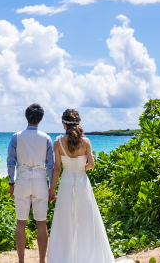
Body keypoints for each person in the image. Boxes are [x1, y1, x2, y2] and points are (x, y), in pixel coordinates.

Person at [47, 109, 115, 263]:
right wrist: (80, 168)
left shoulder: (58, 143)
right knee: (86, 218)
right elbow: (91, 164)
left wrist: (52, 189)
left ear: (64, 124)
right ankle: (87, 255)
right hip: (82, 183)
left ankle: (65, 256)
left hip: (65, 184)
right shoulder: (86, 142)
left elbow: (57, 168)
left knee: (65, 220)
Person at [7, 103, 55, 263]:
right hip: (40, 180)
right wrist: (51, 187)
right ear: (40, 119)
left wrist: (11, 183)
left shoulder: (16, 136)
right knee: (41, 222)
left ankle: (21, 260)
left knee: (21, 222)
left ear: (26, 117)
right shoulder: (46, 138)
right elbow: (50, 165)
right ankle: (41, 260)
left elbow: (11, 162)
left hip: (22, 179)